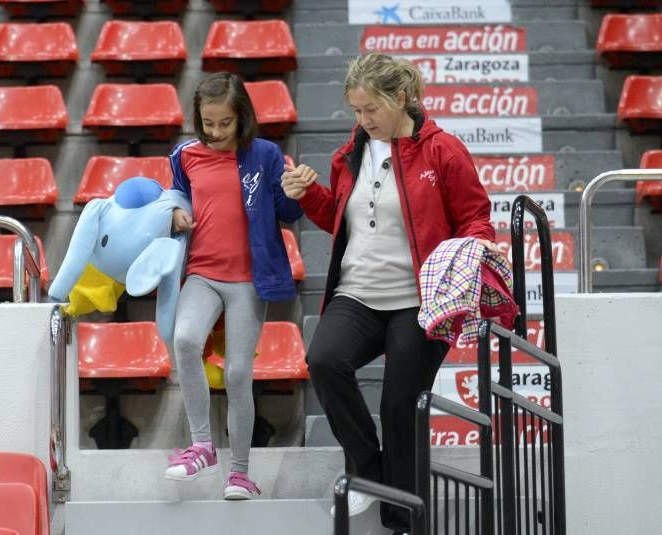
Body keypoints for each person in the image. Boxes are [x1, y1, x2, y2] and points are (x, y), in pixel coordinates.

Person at [281, 53, 496, 533]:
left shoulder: (444, 150)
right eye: (355, 111)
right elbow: (339, 217)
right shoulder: (352, 151)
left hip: (421, 302)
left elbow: (475, 216)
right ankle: (366, 470)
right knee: (323, 361)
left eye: (369, 110)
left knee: (401, 404)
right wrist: (306, 195)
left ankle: (400, 517)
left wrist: (479, 241)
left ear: (400, 99)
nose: (362, 121)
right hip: (357, 293)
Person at [164, 72, 303, 500]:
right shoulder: (184, 155)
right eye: (209, 123)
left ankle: (239, 473)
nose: (217, 132)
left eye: (226, 123)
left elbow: (287, 213)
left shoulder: (265, 154)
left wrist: (294, 192)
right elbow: (176, 196)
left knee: (239, 373)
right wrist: (173, 214)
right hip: (202, 273)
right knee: (185, 339)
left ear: (242, 118)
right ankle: (203, 446)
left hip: (248, 281)